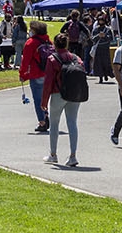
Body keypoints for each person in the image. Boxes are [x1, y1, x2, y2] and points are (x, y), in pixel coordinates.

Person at [41, 33, 86, 167]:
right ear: (67, 44)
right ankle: (73, 155)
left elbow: (48, 81)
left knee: (54, 124)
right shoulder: (76, 58)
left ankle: (53, 154)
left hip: (58, 94)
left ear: (54, 44)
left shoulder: (52, 59)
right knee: (72, 123)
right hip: (74, 94)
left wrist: (44, 101)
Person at [19, 20, 52, 133]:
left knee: (38, 99)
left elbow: (25, 61)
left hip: (36, 73)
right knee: (45, 98)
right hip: (49, 74)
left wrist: (22, 74)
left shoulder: (31, 43)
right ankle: (46, 114)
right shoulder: (49, 41)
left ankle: (42, 122)